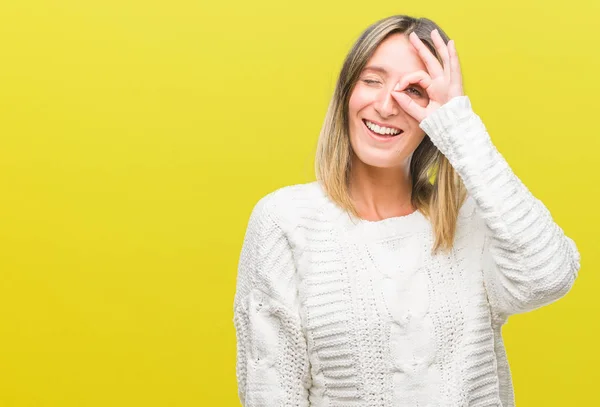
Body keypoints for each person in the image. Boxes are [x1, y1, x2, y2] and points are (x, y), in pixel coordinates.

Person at [232, 14, 581, 407]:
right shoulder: (286, 221)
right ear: (347, 92)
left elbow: (550, 276)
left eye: (412, 90)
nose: (385, 106)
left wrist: (460, 127)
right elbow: (272, 393)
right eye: (372, 80)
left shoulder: (471, 222)